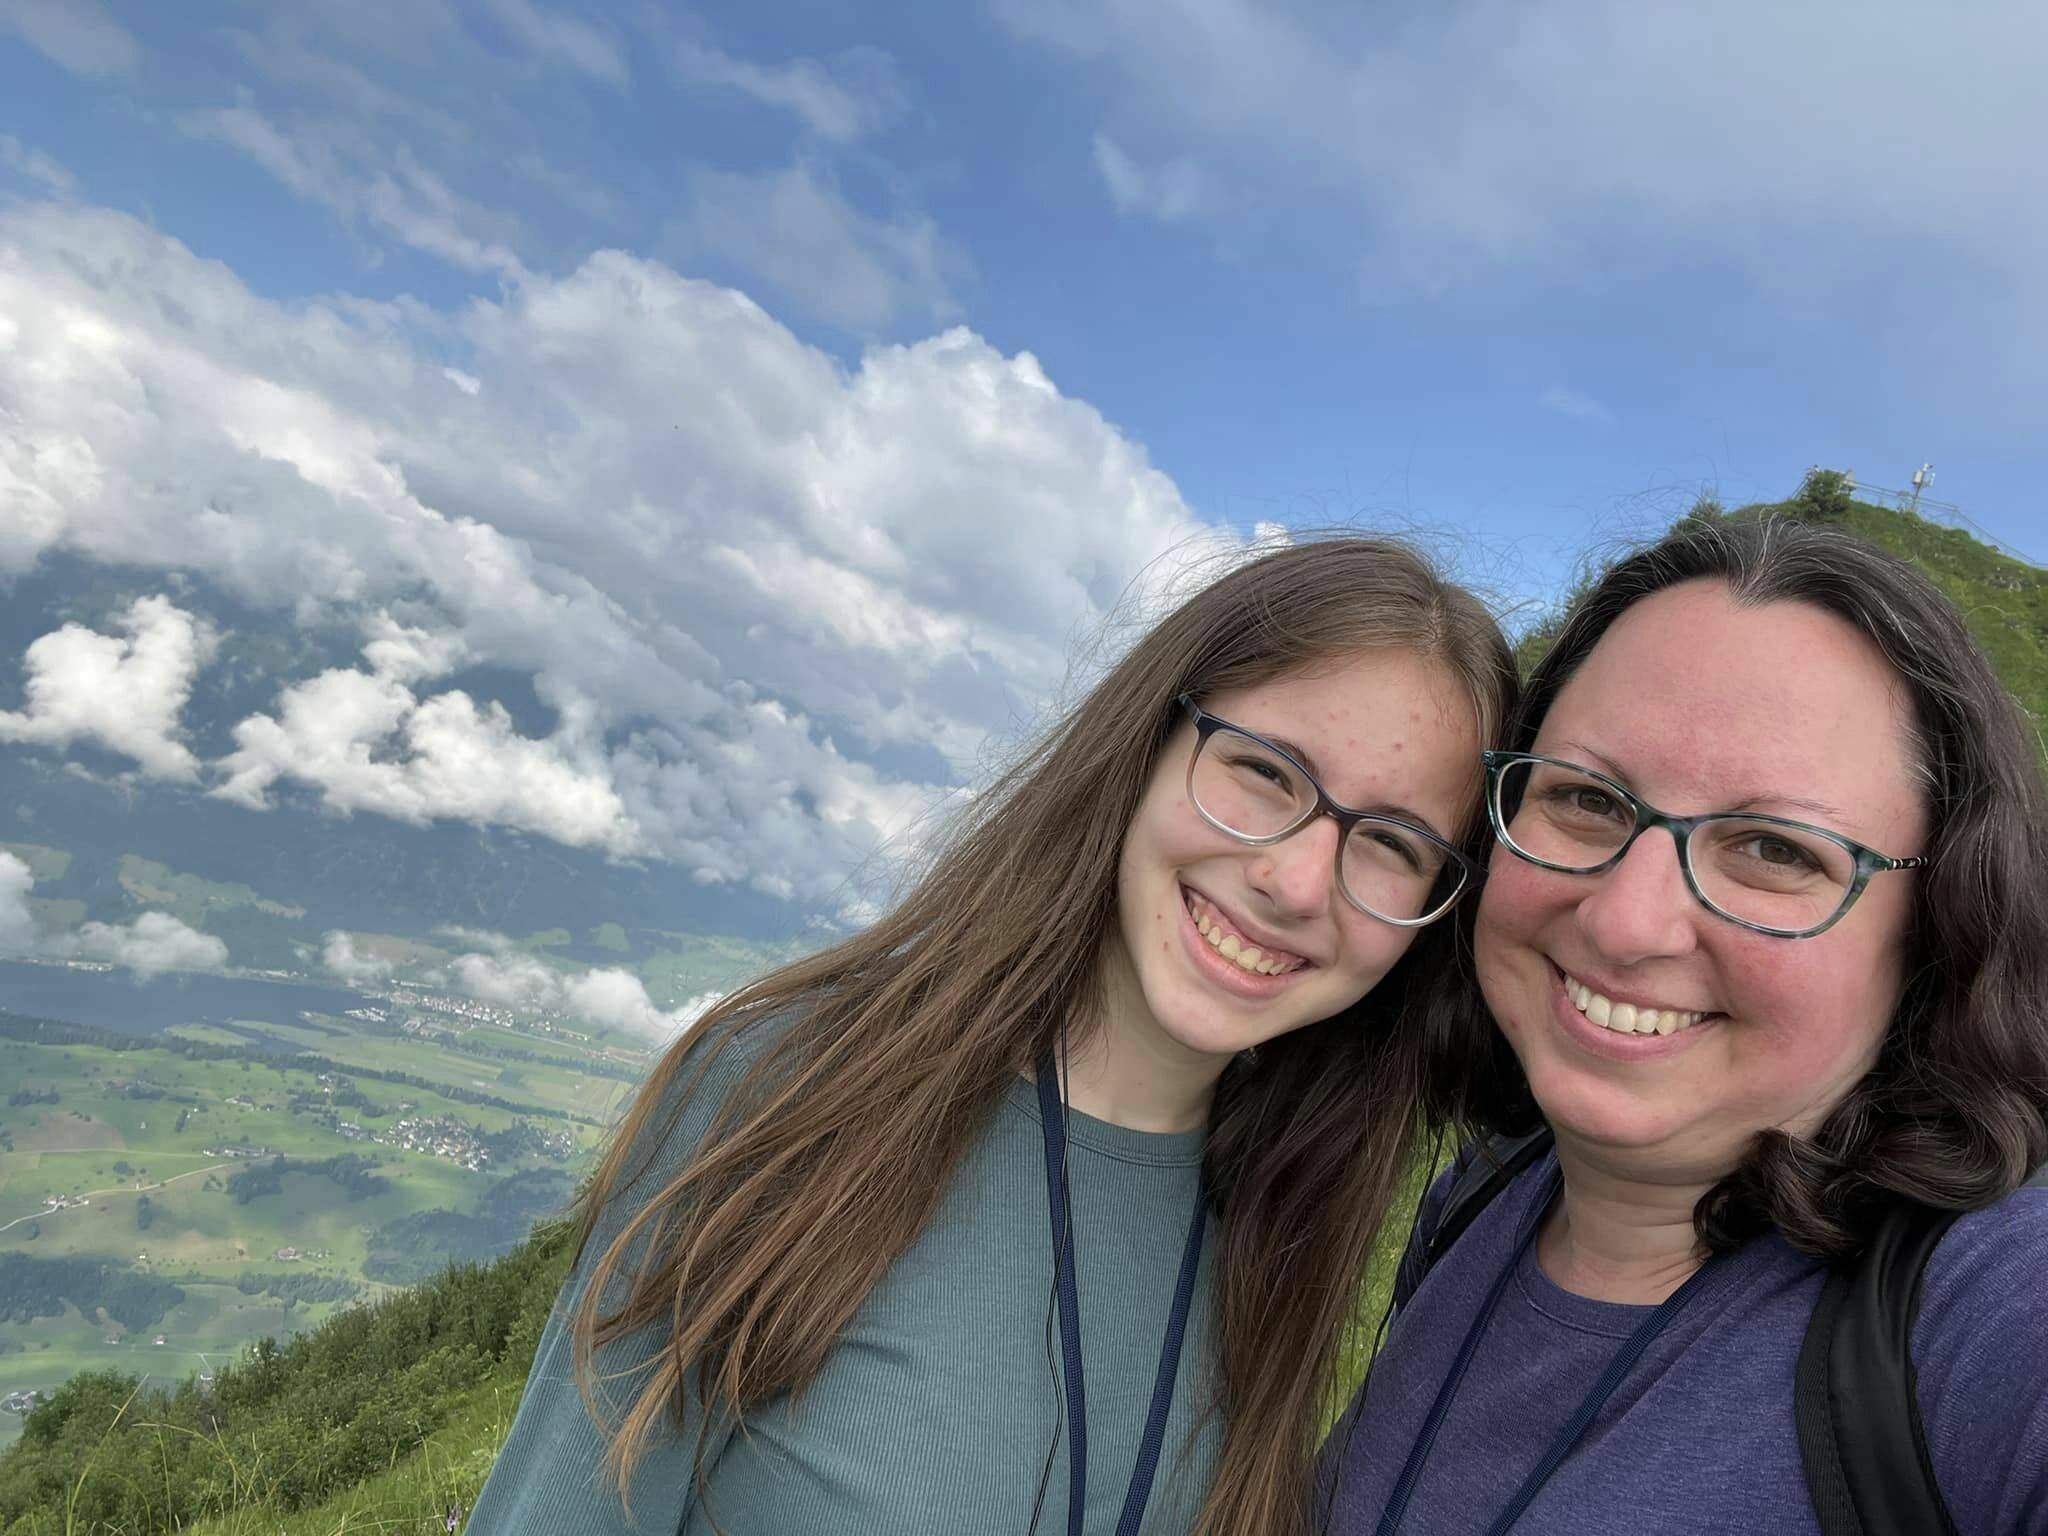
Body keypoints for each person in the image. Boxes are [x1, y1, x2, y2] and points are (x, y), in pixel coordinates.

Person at [468, 536, 1518, 1536]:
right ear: (1144, 745)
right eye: (1263, 771)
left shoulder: (1294, 1237)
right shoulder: (783, 1090)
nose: (1293, 881)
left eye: (1389, 842)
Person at [1323, 515, 2048, 1534]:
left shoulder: (1995, 1316)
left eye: (1773, 849)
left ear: (1934, 929)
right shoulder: (1481, 1196)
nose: (1625, 922)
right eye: (1583, 797)